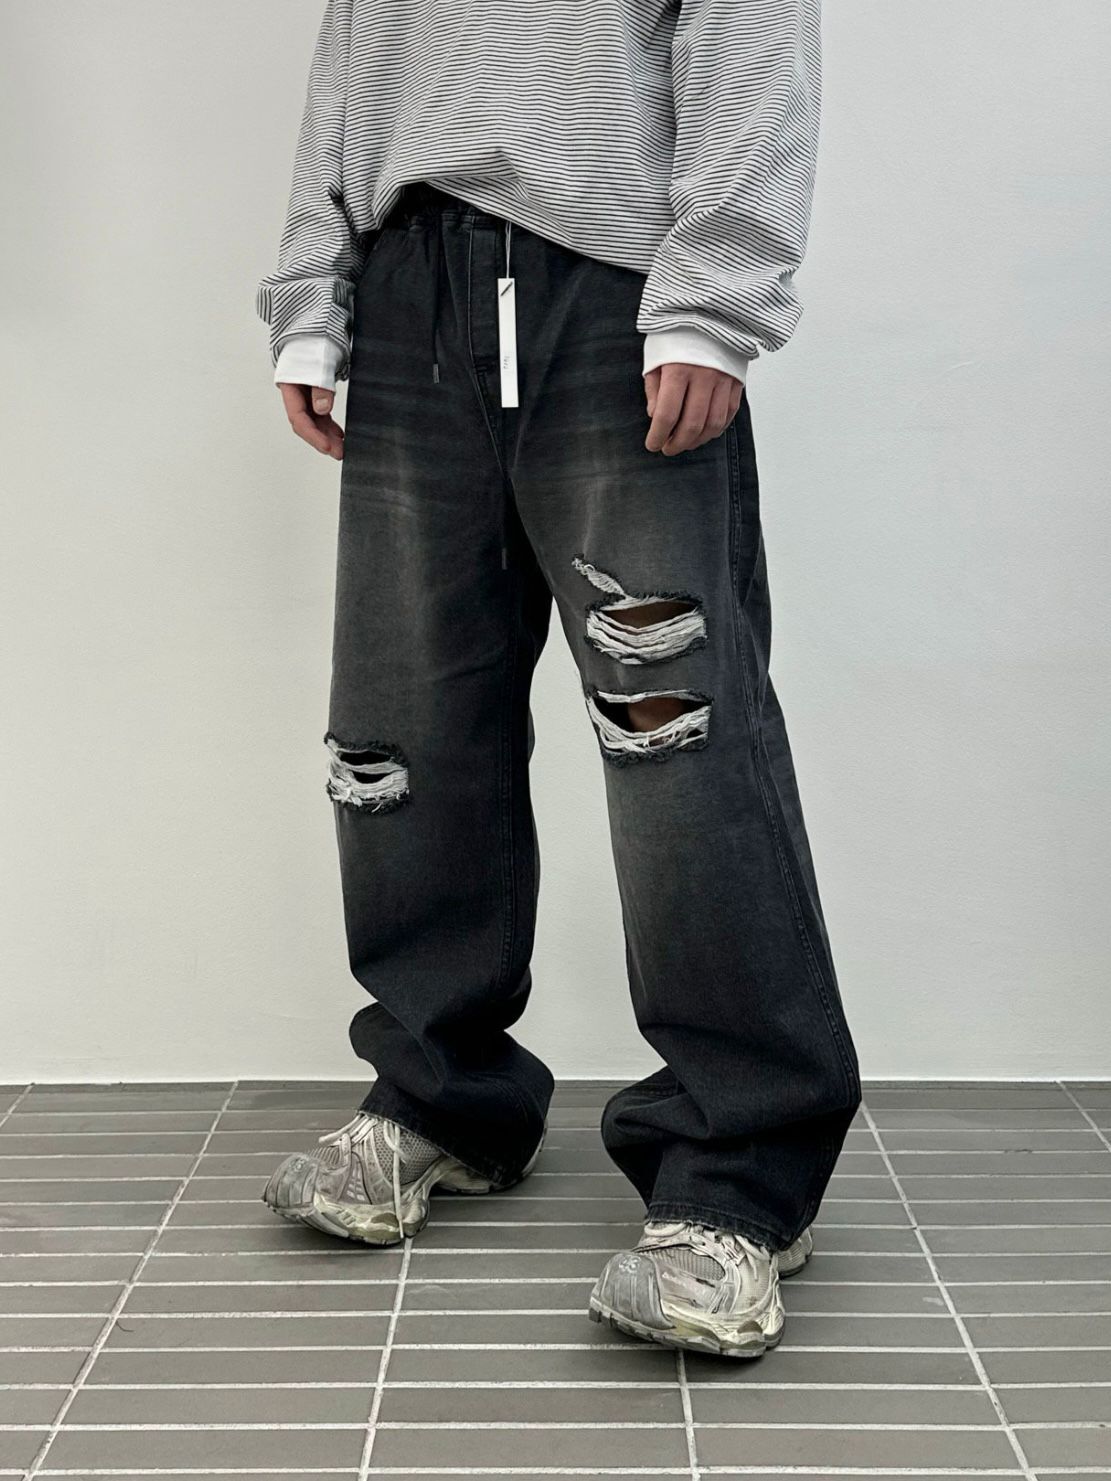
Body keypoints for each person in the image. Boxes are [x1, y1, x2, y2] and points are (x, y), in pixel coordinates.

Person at [255, 0, 862, 1360]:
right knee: (398, 737)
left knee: (674, 731)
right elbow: (359, 46)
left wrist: (713, 296)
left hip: (614, 288)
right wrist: (314, 292)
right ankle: (441, 1094)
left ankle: (740, 1173)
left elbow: (748, 24)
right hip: (410, 287)